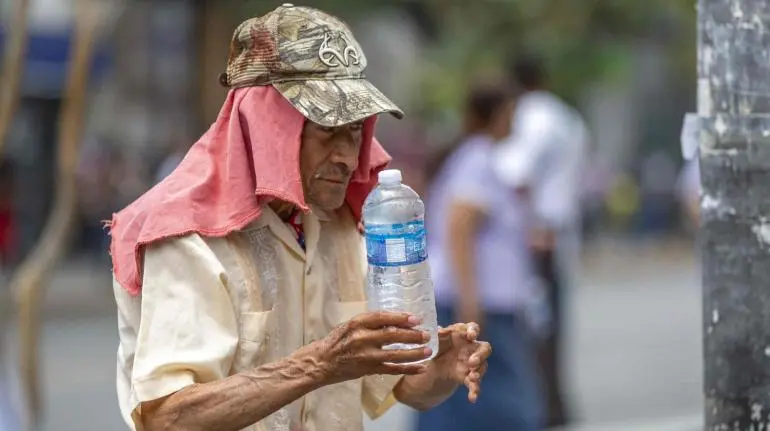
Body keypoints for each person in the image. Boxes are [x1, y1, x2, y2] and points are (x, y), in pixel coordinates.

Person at [109, 5, 491, 431]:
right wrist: (322, 363)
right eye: (327, 129)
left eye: (355, 131)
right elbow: (167, 418)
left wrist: (440, 371)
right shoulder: (187, 238)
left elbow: (396, 386)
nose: (347, 157)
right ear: (269, 126)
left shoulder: (338, 224)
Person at [417, 84, 545, 431]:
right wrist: (469, 300)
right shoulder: (477, 158)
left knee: (464, 399)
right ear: (498, 114)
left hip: (485, 301)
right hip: (479, 304)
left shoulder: (477, 158)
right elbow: (460, 225)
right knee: (503, 404)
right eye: (510, 113)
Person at [493, 52, 589, 428]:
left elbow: (513, 172)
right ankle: (554, 407)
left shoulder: (534, 117)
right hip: (557, 236)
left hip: (534, 240)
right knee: (551, 330)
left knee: (529, 334)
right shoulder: (568, 117)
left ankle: (539, 410)